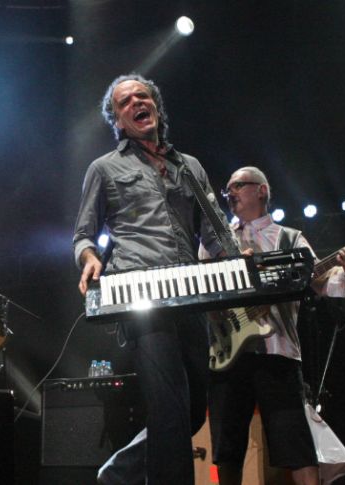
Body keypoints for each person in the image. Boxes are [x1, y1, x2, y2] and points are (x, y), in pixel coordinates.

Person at [73, 74, 232, 484]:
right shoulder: (104, 168)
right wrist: (89, 257)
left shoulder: (190, 166)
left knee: (193, 409)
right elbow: (83, 235)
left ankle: (120, 471)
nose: (136, 103)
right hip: (140, 293)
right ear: (118, 121)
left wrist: (237, 259)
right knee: (168, 410)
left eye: (142, 96)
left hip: (190, 294)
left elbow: (215, 235)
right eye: (125, 102)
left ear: (156, 108)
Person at [200, 166, 345, 485]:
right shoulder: (215, 241)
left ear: (261, 190)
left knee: (297, 445)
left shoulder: (290, 238)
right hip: (226, 353)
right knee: (227, 448)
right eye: (228, 189)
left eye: (239, 186)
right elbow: (203, 294)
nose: (230, 192)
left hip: (278, 352)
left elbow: (323, 283)